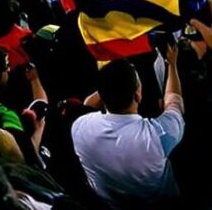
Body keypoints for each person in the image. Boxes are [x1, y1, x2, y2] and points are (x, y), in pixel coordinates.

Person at [69, 41, 189, 206]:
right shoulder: (158, 136)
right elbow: (174, 103)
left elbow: (88, 104)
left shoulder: (79, 127)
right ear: (138, 95)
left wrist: (111, 80)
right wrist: (172, 65)